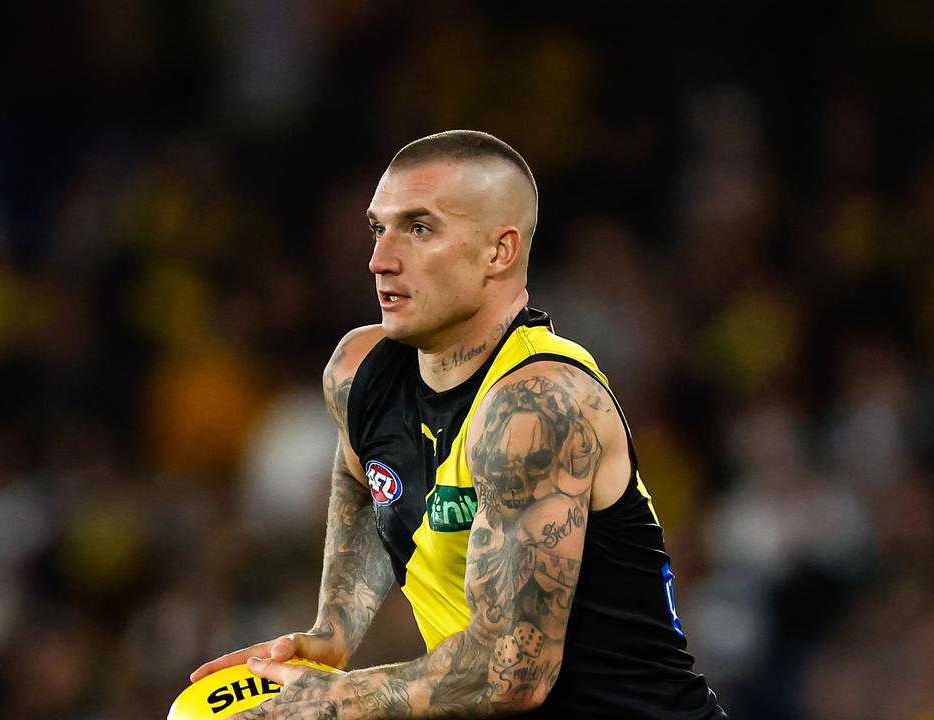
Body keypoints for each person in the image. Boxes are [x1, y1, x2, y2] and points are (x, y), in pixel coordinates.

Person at [190, 130, 726, 718]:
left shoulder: (538, 405)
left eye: (419, 228)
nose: (380, 259)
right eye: (378, 227)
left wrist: (329, 701)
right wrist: (333, 631)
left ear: (499, 251)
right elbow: (366, 484)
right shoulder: (357, 372)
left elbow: (513, 674)